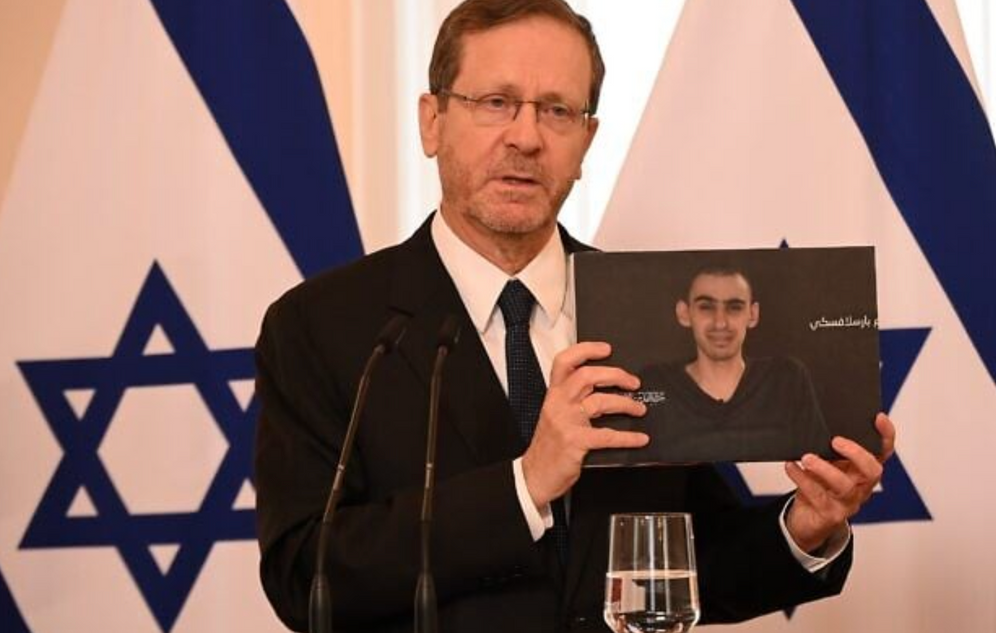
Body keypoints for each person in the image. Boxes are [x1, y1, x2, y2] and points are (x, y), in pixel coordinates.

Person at [253, 1, 896, 631]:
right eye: (496, 102)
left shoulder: (635, 311)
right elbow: (304, 577)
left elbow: (695, 564)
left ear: (585, 140)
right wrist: (525, 485)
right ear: (433, 122)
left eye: (557, 110)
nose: (527, 137)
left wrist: (807, 526)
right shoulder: (325, 328)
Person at [634, 265, 833, 463]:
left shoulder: (787, 379)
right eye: (706, 307)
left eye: (734, 307)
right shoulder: (655, 383)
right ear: (684, 313)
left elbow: (821, 471)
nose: (720, 323)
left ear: (752, 314)